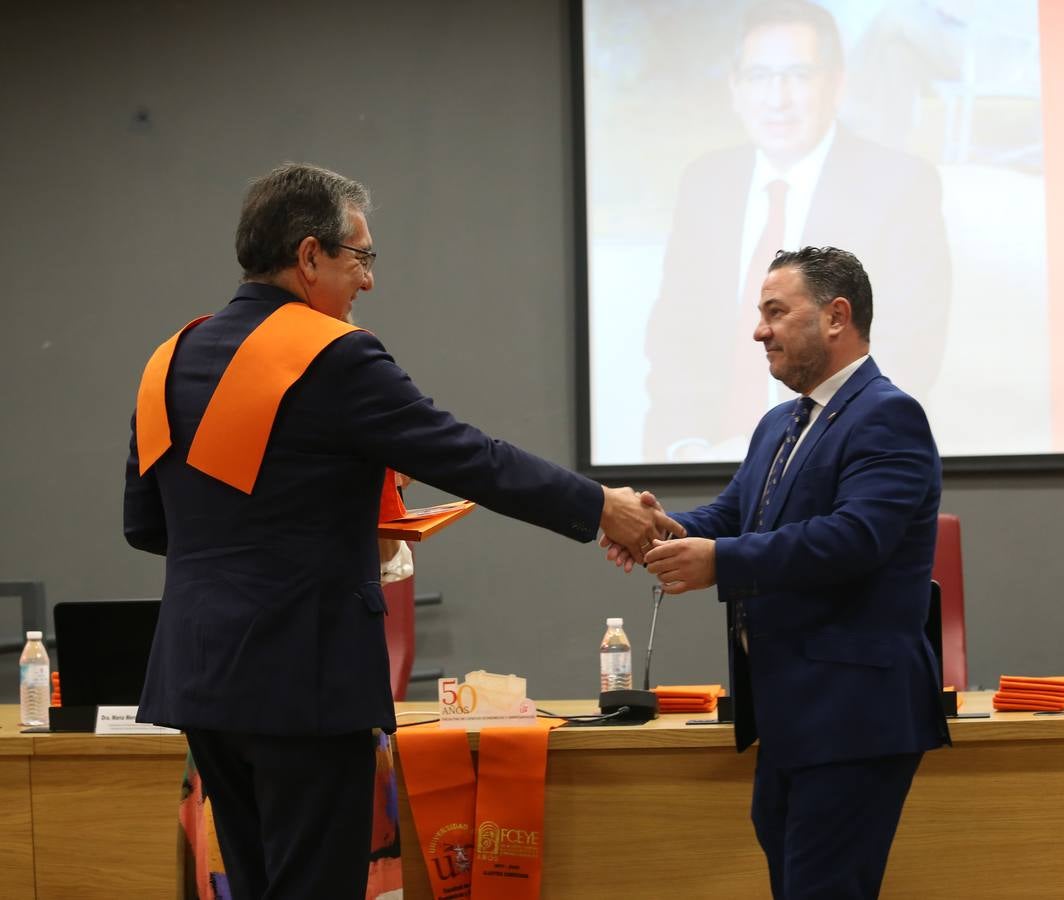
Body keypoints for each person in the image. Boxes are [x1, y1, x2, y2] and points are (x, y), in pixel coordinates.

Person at [123, 162, 681, 900]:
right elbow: (471, 457)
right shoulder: (333, 356)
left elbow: (148, 526)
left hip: (201, 679)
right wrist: (601, 506)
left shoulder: (169, 359)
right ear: (310, 255)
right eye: (361, 256)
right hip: (305, 678)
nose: (369, 281)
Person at [621, 246, 949, 898]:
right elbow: (734, 513)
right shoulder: (781, 422)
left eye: (775, 311)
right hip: (790, 712)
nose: (758, 330)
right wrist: (651, 529)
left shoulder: (888, 415)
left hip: (854, 714)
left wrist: (720, 561)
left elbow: (856, 539)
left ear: (836, 317)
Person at [643, 0, 951, 463]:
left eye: (799, 75)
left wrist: (804, 453)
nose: (777, 97)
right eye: (759, 76)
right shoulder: (705, 182)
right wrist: (687, 445)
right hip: (699, 461)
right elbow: (676, 329)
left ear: (836, 83)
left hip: (833, 465)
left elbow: (911, 345)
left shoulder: (900, 184)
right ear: (735, 88)